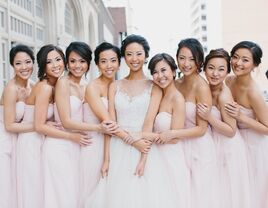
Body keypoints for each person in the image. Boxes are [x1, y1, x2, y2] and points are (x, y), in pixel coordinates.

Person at [86, 34, 178, 208]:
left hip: (144, 146)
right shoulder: (115, 86)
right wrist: (106, 159)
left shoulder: (155, 87)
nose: (134, 59)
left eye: (138, 54)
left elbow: (148, 124)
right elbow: (110, 125)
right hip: (117, 146)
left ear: (145, 55)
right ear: (124, 58)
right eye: (129, 54)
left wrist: (143, 158)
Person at [45, 41, 115, 208]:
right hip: (62, 145)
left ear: (89, 63)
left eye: (82, 61)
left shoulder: (86, 86)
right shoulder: (63, 83)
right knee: (63, 196)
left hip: (81, 145)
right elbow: (66, 121)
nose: (77, 66)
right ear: (67, 63)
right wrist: (98, 128)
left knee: (80, 193)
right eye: (73, 61)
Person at [156, 38, 218, 208]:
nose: (186, 64)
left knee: (200, 196)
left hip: (200, 147)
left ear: (199, 61)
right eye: (182, 58)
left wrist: (173, 134)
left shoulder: (202, 87)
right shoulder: (175, 83)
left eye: (192, 59)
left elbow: (202, 129)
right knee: (181, 194)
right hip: (178, 148)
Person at [197, 48, 250, 208]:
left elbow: (231, 131)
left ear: (227, 71)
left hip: (229, 148)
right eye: (211, 68)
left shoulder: (224, 95)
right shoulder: (206, 88)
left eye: (221, 70)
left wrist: (209, 117)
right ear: (204, 68)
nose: (215, 74)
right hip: (215, 144)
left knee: (228, 193)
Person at [225, 41, 268, 208]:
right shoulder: (228, 81)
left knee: (253, 195)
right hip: (236, 144)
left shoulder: (253, 92)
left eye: (245, 60)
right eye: (235, 57)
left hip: (254, 148)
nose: (238, 63)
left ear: (254, 65)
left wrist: (242, 117)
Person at [79, 42, 121, 208]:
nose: (109, 65)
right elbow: (109, 123)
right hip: (95, 146)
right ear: (96, 64)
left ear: (119, 62)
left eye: (113, 60)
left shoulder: (119, 86)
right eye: (103, 61)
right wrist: (106, 159)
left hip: (116, 143)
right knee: (93, 193)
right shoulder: (92, 88)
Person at [148, 53, 190, 208]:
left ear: (173, 71)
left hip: (171, 157)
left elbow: (176, 137)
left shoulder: (177, 99)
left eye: (163, 70)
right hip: (156, 156)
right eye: (155, 72)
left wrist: (143, 136)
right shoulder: (158, 94)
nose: (160, 76)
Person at [0, 44, 34, 208]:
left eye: (27, 62)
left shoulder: (32, 85)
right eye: (18, 63)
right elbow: (9, 125)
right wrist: (39, 125)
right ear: (12, 66)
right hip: (5, 143)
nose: (24, 67)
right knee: (7, 188)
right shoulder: (10, 89)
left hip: (20, 141)